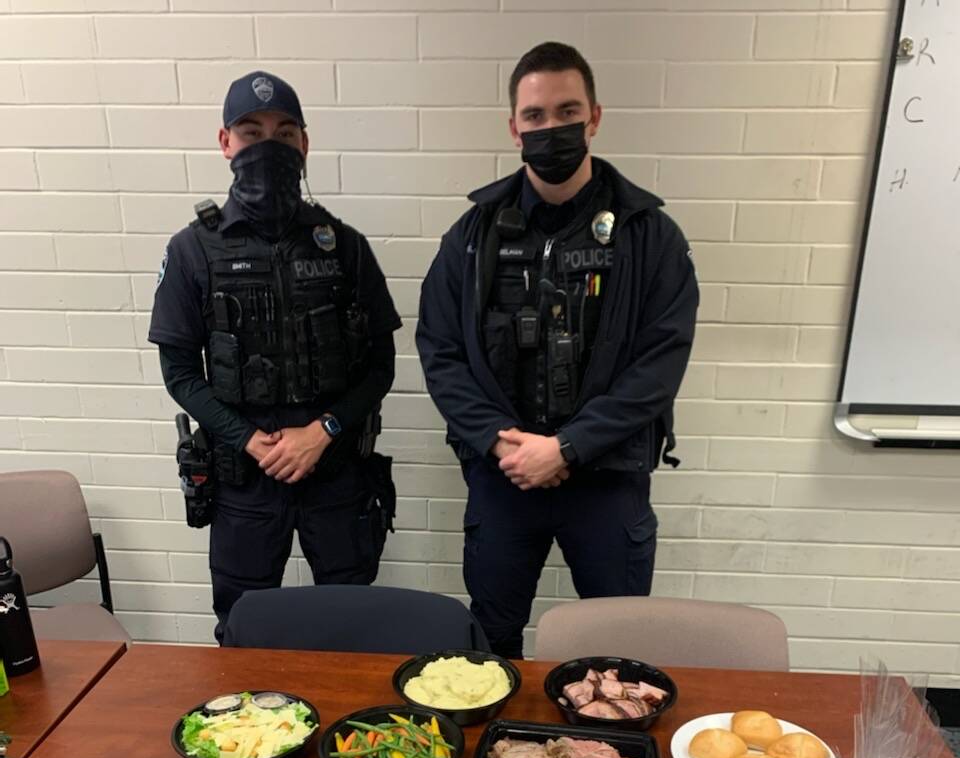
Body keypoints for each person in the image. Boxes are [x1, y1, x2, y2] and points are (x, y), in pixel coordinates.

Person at [416, 42, 698, 659]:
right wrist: (500, 440)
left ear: (594, 117)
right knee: (490, 643)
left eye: (567, 112)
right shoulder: (472, 235)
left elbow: (659, 364)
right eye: (536, 116)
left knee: (617, 646)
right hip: (505, 472)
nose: (552, 128)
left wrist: (568, 447)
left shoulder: (649, 235)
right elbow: (439, 351)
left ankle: (609, 757)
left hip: (606, 479)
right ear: (513, 126)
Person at [149, 71, 401, 640]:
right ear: (225, 143)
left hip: (335, 471)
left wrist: (324, 430)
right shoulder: (193, 250)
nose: (269, 145)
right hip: (245, 480)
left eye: (285, 134)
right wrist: (246, 439)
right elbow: (181, 373)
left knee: (352, 628)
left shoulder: (344, 246)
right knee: (243, 630)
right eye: (252, 131)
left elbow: (381, 366)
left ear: (305, 144)